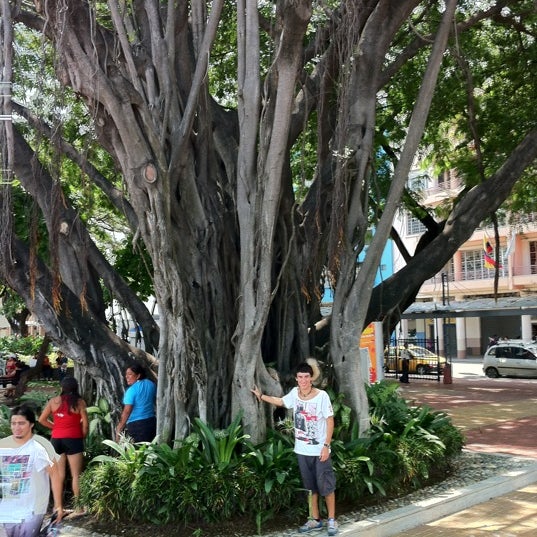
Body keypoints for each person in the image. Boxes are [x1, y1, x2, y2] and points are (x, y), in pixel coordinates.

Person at [251, 361, 338, 536]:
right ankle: (315, 519)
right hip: (302, 450)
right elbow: (281, 401)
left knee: (326, 486)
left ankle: (331, 520)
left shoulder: (321, 396)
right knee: (310, 487)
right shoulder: (295, 394)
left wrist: (326, 446)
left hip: (319, 450)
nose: (303, 380)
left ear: (311, 378)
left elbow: (330, 421)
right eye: (300, 377)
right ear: (296, 379)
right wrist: (261, 396)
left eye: (306, 377)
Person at [0, 404, 64, 536]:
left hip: (32, 511)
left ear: (31, 424)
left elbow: (55, 474)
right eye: (14, 423)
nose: (17, 427)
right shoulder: (3, 446)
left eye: (21, 423)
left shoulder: (40, 447)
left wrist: (58, 505)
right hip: (5, 511)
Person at [38, 376, 88, 511]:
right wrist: (82, 436)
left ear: (62, 388)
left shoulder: (53, 402)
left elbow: (41, 420)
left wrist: (55, 427)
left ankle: (58, 507)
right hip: (73, 439)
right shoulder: (79, 402)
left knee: (58, 475)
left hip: (56, 440)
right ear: (76, 388)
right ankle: (79, 508)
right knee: (76, 475)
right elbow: (85, 425)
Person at [115, 364, 156, 443]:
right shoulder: (151, 384)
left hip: (137, 425)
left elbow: (127, 411)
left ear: (138, 376)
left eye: (130, 374)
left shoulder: (132, 390)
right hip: (151, 421)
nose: (126, 376)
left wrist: (120, 427)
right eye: (126, 374)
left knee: (139, 452)